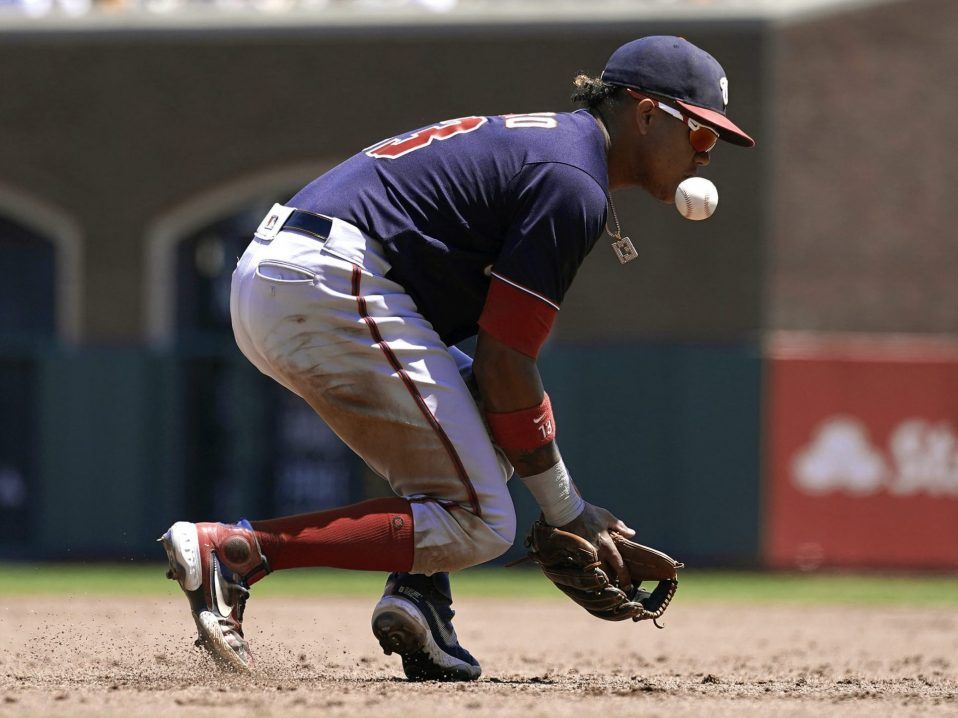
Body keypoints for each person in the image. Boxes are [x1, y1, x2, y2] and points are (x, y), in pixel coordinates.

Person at [160, 35, 755, 681]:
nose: (706, 156)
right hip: (328, 280)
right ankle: (237, 554)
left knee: (479, 451)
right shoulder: (572, 182)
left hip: (297, 274)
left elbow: (499, 382)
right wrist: (568, 511)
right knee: (484, 525)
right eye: (700, 136)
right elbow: (505, 366)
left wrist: (559, 499)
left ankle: (420, 602)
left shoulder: (558, 151)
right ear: (645, 113)